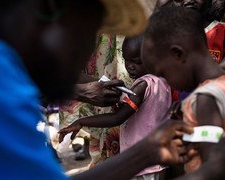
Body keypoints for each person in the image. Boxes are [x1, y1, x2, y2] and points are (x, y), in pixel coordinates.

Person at [0, 0, 225, 179]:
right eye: (90, 33)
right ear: (51, 8)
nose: (87, 57)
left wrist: (145, 152)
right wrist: (207, 173)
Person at [141, 2, 225, 180]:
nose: (169, 83)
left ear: (178, 54)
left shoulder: (206, 99)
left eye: (164, 73)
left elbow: (215, 167)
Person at [59, 34, 172, 179]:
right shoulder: (164, 82)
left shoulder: (143, 85)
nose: (130, 66)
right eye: (126, 60)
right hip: (157, 160)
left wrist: (81, 122)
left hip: (142, 165)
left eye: (136, 62)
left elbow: (117, 118)